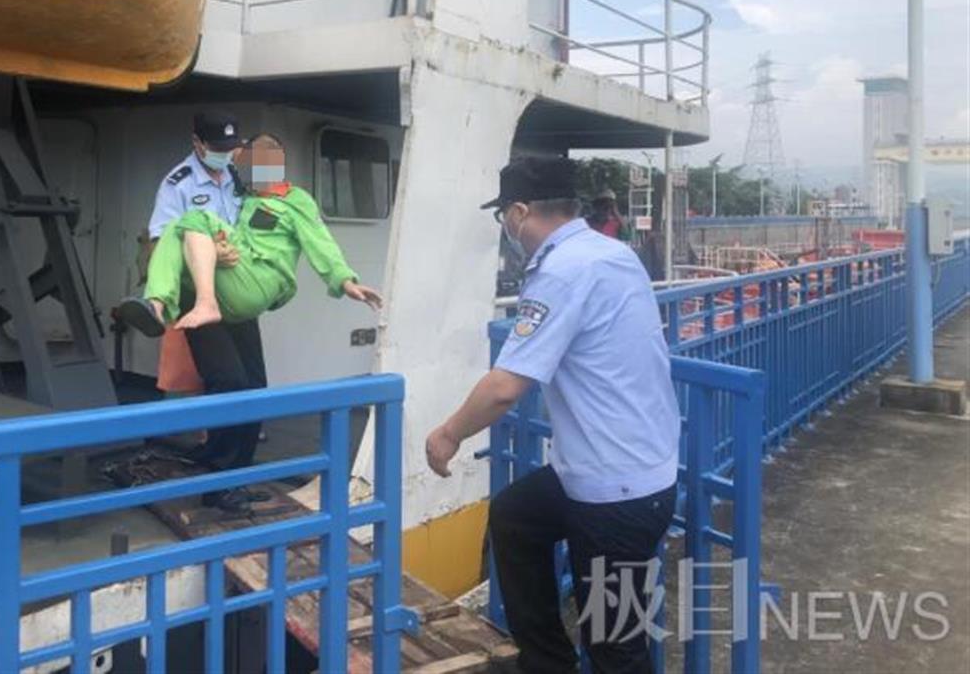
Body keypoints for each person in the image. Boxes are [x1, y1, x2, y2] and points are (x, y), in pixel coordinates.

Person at [425, 157, 680, 674]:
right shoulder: (611, 252)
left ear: (519, 213)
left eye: (503, 216)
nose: (505, 227)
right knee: (515, 517)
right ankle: (547, 664)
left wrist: (448, 435)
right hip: (624, 467)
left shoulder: (562, 271)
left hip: (616, 494)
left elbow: (505, 388)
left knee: (615, 651)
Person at [120, 133, 382, 334]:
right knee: (177, 227)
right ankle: (156, 305)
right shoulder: (244, 197)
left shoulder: (296, 200)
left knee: (195, 217)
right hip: (237, 273)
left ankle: (205, 304)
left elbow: (320, 241)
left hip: (262, 280)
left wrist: (346, 281)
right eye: (257, 159)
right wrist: (215, 249)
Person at [143, 110, 265, 512]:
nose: (226, 155)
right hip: (198, 300)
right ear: (197, 144)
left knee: (255, 388)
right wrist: (210, 251)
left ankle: (238, 477)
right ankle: (218, 486)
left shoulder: (235, 178)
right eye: (218, 148)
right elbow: (160, 244)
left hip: (237, 298)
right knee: (228, 382)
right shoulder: (177, 185)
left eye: (232, 148)